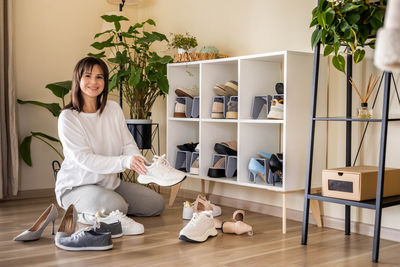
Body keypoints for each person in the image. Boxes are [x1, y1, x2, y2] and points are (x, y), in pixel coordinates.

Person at [55, 56, 165, 225]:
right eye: (88, 76)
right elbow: (85, 159)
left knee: (156, 204)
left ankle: (110, 210)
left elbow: (127, 143)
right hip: (76, 186)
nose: (94, 81)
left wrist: (137, 161)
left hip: (109, 184)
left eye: (99, 77)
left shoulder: (113, 109)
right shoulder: (68, 117)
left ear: (105, 81)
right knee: (117, 206)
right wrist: (125, 162)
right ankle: (91, 212)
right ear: (78, 79)